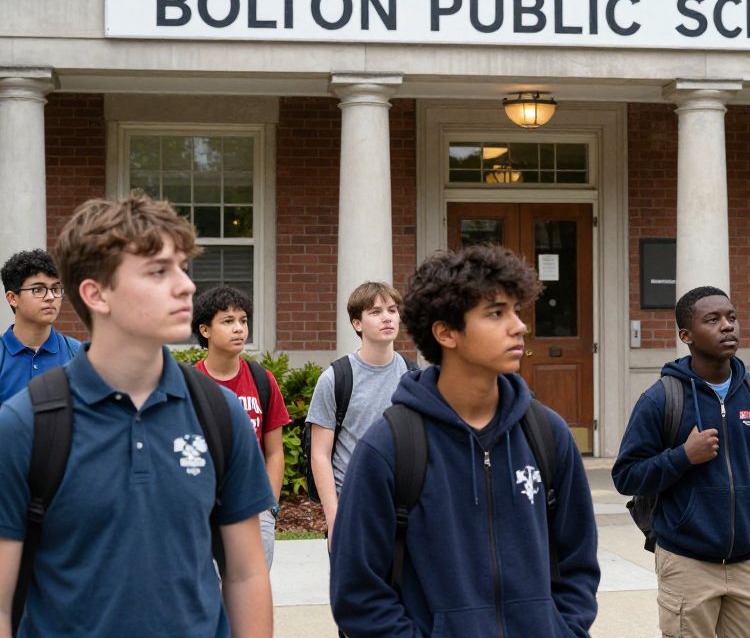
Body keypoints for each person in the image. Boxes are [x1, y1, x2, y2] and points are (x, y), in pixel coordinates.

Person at [0, 193, 274, 637]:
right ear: (96, 294)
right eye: (158, 271)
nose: (186, 285)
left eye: (183, 267)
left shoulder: (218, 415)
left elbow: (245, 575)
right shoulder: (27, 425)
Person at [329, 245, 600, 638]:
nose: (519, 326)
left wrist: (561, 629)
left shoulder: (546, 433)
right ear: (446, 333)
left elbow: (578, 562)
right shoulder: (389, 446)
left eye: (516, 310)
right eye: (496, 313)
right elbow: (358, 592)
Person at [612, 286, 750, 638]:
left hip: (749, 562)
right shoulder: (661, 399)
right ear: (686, 336)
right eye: (712, 320)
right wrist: (683, 456)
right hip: (687, 563)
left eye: (731, 317)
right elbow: (626, 476)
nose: (727, 326)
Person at [306, 281, 412, 551]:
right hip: (353, 504)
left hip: (402, 506)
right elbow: (319, 454)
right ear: (357, 324)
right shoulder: (336, 379)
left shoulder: (414, 378)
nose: (387, 317)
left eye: (392, 309)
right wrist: (335, 518)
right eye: (375, 312)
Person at [192, 285, 291, 570]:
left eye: (243, 320)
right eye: (228, 321)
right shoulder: (190, 384)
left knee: (248, 600)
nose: (239, 329)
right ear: (205, 330)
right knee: (209, 602)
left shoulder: (262, 380)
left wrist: (269, 506)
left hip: (254, 508)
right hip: (204, 510)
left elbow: (274, 452)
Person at [1, 249, 81, 404]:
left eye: (55, 289)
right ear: (12, 298)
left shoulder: (78, 355)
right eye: (38, 290)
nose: (50, 297)